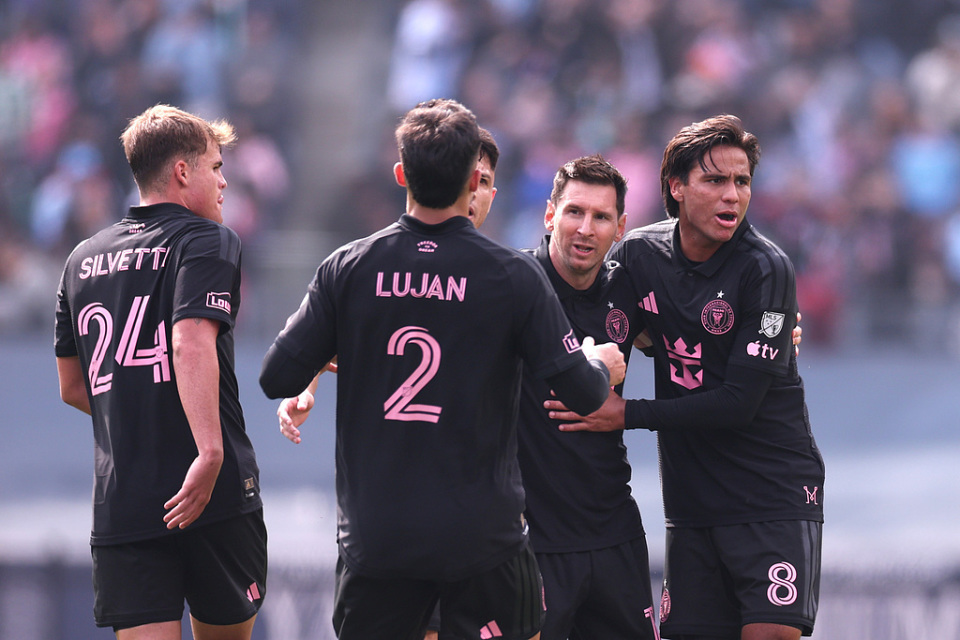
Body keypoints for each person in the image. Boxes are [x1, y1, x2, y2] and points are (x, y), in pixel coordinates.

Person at [258, 98, 626, 640]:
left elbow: (275, 377)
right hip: (482, 540)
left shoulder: (348, 268)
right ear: (473, 181)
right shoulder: (513, 277)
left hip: (377, 538)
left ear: (400, 174)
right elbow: (584, 393)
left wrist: (337, 352)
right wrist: (598, 363)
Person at [547, 115, 824, 640]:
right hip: (692, 500)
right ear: (676, 187)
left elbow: (739, 402)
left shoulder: (766, 268)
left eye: (741, 181)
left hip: (771, 494)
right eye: (714, 180)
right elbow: (593, 320)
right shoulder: (638, 255)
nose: (732, 195)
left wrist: (625, 414)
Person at [54, 104, 266, 639]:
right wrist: (209, 452)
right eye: (216, 167)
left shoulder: (81, 259)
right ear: (182, 172)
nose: (224, 181)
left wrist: (139, 406)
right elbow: (189, 339)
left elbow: (73, 386)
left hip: (125, 496)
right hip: (212, 492)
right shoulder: (208, 239)